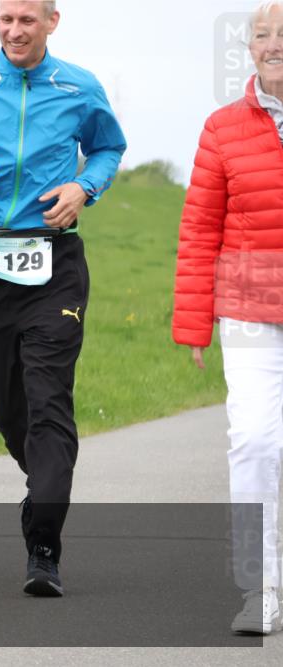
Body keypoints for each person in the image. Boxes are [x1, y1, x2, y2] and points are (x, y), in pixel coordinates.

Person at [0, 0, 126, 596]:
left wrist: (84, 187)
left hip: (54, 261)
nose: (14, 30)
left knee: (49, 398)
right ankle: (44, 485)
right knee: (10, 409)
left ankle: (44, 545)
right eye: (5, 19)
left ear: (51, 22)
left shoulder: (79, 87)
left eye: (27, 20)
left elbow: (110, 149)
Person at [173, 0, 283, 635]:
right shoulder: (222, 127)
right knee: (255, 440)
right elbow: (200, 228)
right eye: (262, 34)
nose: (273, 43)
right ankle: (259, 587)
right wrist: (194, 323)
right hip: (249, 308)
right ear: (249, 48)